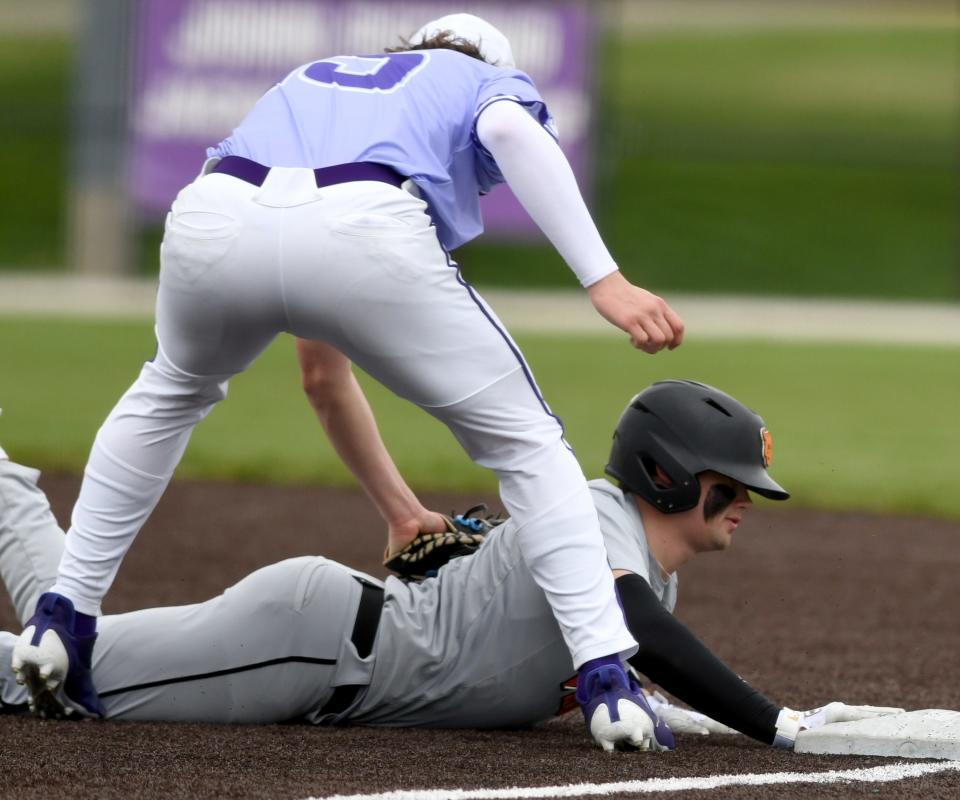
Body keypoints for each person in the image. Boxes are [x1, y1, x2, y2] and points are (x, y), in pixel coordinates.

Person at [12, 13, 685, 747]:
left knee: (169, 392)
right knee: (528, 443)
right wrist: (605, 281)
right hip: (363, 220)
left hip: (215, 214)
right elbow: (514, 134)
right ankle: (606, 679)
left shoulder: (316, 79)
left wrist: (398, 509)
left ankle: (62, 617)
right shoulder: (479, 76)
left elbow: (319, 369)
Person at [1, 382, 899, 750]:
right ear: (666, 474)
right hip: (315, 644)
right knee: (64, 682)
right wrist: (773, 724)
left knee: (74, 645)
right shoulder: (591, 516)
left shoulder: (645, 568)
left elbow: (631, 642)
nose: (746, 499)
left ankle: (7, 491)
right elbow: (638, 633)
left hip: (335, 652)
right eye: (729, 482)